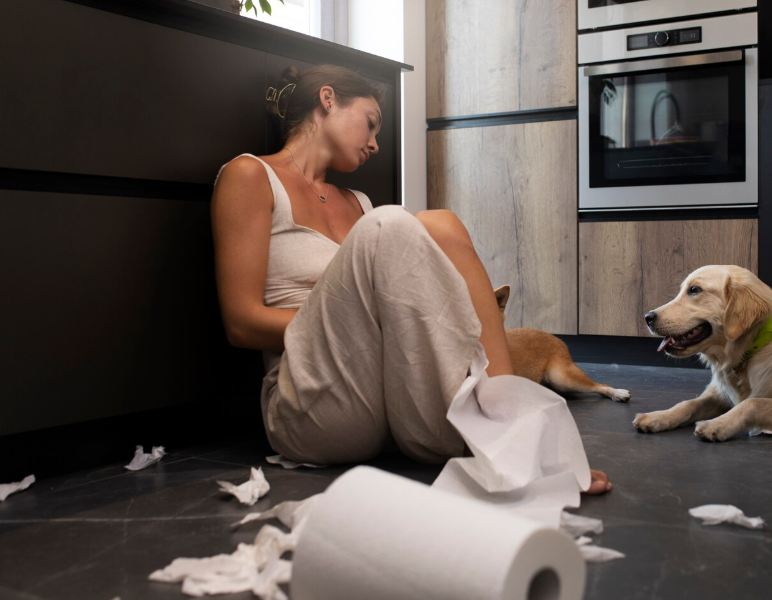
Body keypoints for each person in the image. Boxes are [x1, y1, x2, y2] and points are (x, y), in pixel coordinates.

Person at [211, 64, 610, 494]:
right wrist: (362, 322)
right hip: (312, 405)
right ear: (328, 100)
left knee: (441, 223)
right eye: (370, 123)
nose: (375, 144)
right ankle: (508, 435)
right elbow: (241, 323)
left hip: (394, 411)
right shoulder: (251, 175)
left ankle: (507, 422)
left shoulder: (358, 203)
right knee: (391, 223)